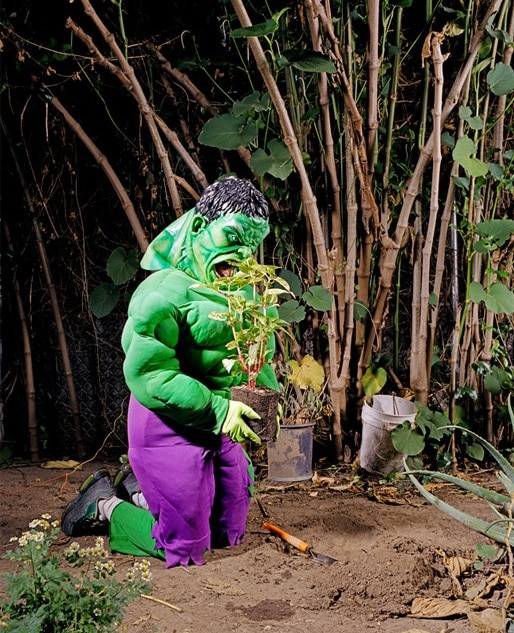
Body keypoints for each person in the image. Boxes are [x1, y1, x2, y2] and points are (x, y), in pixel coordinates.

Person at [61, 176, 279, 567]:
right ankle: (105, 505)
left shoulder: (246, 293)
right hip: (167, 426)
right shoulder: (161, 292)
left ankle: (141, 491)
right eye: (232, 237)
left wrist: (266, 402)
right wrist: (219, 410)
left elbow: (257, 358)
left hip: (218, 423)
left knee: (228, 532)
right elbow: (151, 375)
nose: (243, 255)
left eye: (252, 244)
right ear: (200, 227)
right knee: (184, 547)